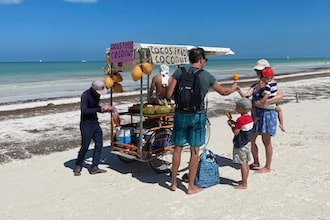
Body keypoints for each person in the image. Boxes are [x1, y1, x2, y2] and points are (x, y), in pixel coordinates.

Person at [166, 47, 238, 194]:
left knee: (177, 149)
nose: (205, 62)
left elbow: (168, 94)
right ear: (200, 60)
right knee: (194, 151)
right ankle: (191, 187)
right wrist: (233, 88)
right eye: (205, 60)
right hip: (197, 116)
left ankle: (173, 183)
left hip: (180, 114)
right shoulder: (207, 76)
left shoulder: (179, 71)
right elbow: (223, 92)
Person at [74, 79, 119, 176]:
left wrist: (104, 109)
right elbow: (84, 110)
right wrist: (100, 109)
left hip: (95, 123)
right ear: (94, 89)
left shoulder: (96, 94)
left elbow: (94, 107)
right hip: (86, 124)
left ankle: (94, 167)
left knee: (99, 144)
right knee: (85, 146)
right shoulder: (85, 95)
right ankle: (78, 165)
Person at [227, 98, 253, 189]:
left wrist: (231, 126)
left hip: (241, 143)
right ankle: (244, 180)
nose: (235, 108)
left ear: (242, 108)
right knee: (246, 162)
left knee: (242, 164)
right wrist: (235, 123)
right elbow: (243, 128)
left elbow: (236, 132)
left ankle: (244, 184)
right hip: (247, 142)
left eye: (237, 107)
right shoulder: (249, 118)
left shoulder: (240, 119)